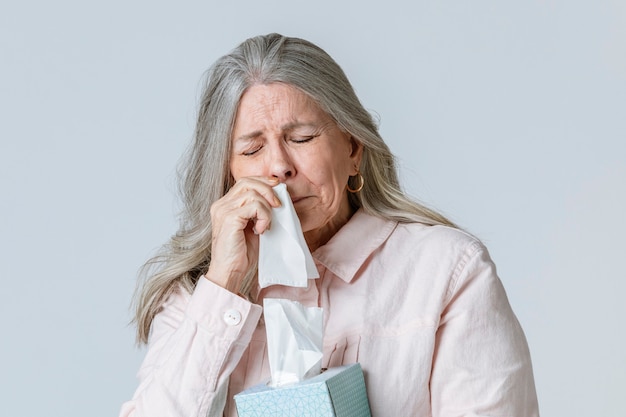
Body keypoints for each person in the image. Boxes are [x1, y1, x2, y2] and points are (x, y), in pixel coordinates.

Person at [120, 33, 539, 417]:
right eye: (252, 149)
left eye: (301, 138)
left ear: (353, 149)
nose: (279, 166)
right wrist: (225, 284)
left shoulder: (447, 270)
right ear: (228, 173)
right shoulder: (195, 295)